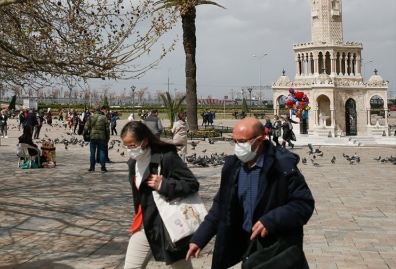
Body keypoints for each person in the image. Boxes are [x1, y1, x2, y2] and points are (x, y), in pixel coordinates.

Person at [186, 117, 314, 269]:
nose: (238, 146)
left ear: (259, 140)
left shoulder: (281, 166)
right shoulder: (233, 168)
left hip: (276, 247)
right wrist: (200, 238)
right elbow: (221, 206)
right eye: (234, 141)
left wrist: (272, 220)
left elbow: (303, 203)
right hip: (247, 243)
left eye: (242, 141)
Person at [121, 120, 199, 269]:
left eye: (132, 146)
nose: (130, 150)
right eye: (126, 146)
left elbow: (192, 184)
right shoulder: (133, 162)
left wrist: (164, 185)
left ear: (144, 141)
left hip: (171, 225)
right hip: (146, 225)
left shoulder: (166, 157)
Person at [84, 105, 110, 172]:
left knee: (92, 153)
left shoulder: (91, 117)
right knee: (102, 152)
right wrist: (107, 138)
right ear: (100, 110)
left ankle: (92, 167)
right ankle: (103, 167)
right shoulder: (104, 117)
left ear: (93, 110)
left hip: (93, 137)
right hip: (102, 137)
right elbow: (107, 129)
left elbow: (86, 127)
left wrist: (85, 134)